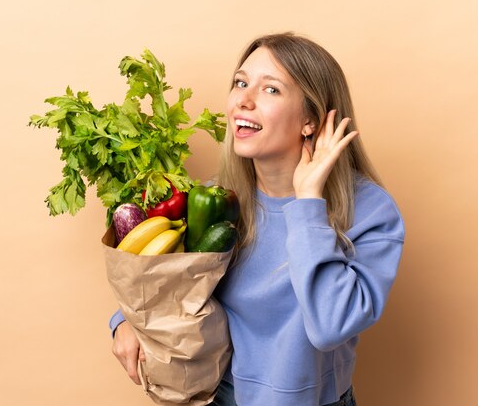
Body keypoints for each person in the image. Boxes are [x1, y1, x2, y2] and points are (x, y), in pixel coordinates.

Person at [110, 32, 405, 406]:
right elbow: (171, 280)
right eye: (240, 83)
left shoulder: (370, 210)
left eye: (271, 90)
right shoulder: (212, 199)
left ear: (310, 120)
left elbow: (331, 326)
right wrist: (124, 321)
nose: (243, 101)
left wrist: (308, 202)